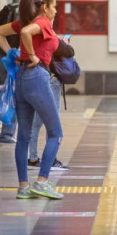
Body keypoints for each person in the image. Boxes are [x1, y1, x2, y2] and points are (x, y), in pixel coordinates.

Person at [0, 0, 64, 200]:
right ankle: (42, 182)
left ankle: (23, 186)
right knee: (55, 133)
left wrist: (12, 54)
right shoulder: (41, 22)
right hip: (37, 77)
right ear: (44, 7)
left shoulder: (24, 21)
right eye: (54, 7)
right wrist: (31, 55)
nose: (56, 11)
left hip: (21, 78)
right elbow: (25, 34)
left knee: (23, 135)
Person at [27, 37, 74, 171]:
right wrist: (64, 41)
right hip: (51, 80)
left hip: (37, 78)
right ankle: (51, 160)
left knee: (36, 122)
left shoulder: (33, 35)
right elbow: (70, 51)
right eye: (52, 15)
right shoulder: (49, 35)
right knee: (53, 123)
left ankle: (33, 158)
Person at [0, 0, 27, 144]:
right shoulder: (22, 13)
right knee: (14, 95)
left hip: (3, 57)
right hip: (15, 58)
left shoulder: (4, 10)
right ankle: (7, 133)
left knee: (3, 93)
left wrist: (2, 52)